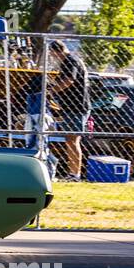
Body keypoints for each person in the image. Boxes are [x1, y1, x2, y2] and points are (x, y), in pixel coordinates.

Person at [48, 39, 90, 180]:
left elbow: (69, 80)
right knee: (70, 140)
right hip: (71, 106)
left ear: (56, 51)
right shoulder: (70, 60)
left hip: (76, 106)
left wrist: (52, 91)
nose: (53, 57)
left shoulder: (70, 60)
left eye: (52, 54)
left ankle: (74, 174)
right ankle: (73, 173)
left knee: (72, 140)